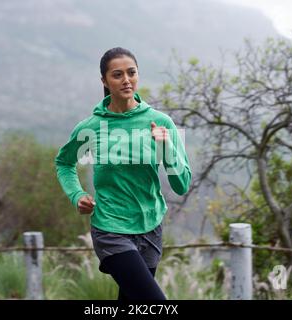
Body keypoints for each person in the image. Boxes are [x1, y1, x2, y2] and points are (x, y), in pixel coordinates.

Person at [55, 47, 191, 300]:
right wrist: (76, 195)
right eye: (117, 75)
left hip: (150, 227)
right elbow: (64, 163)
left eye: (132, 73)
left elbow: (181, 184)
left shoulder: (161, 122)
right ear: (104, 81)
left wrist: (167, 147)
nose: (126, 80)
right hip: (111, 228)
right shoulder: (92, 127)